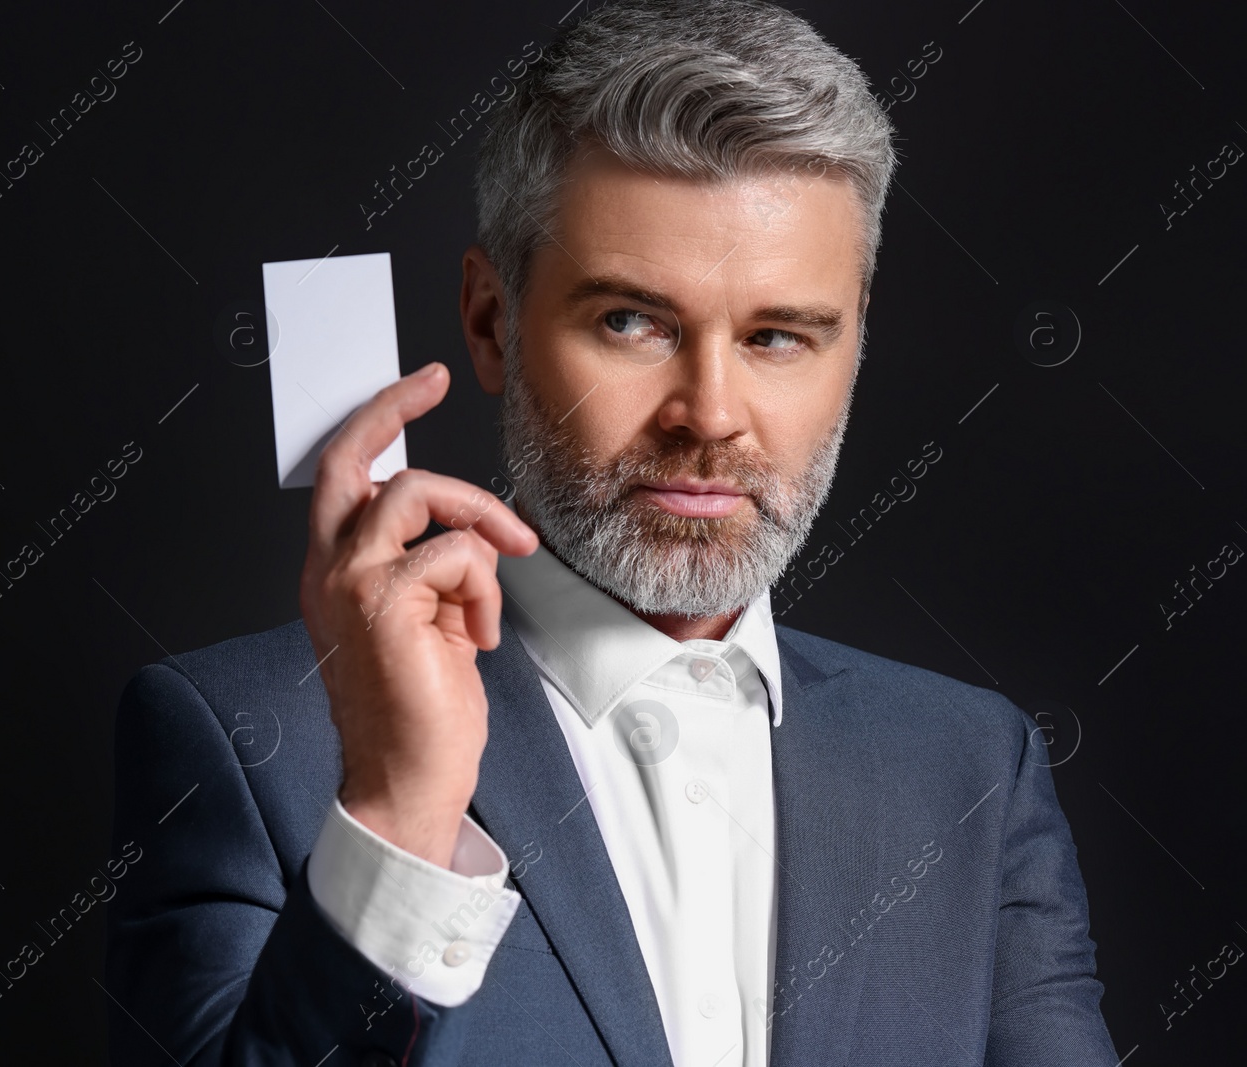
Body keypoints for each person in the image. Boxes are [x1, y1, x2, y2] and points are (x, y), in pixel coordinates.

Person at [106, 1, 1119, 1064]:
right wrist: (402, 815)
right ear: (493, 321)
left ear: (854, 342)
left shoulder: (969, 766)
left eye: (779, 335)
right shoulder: (239, 738)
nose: (709, 412)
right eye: (630, 322)